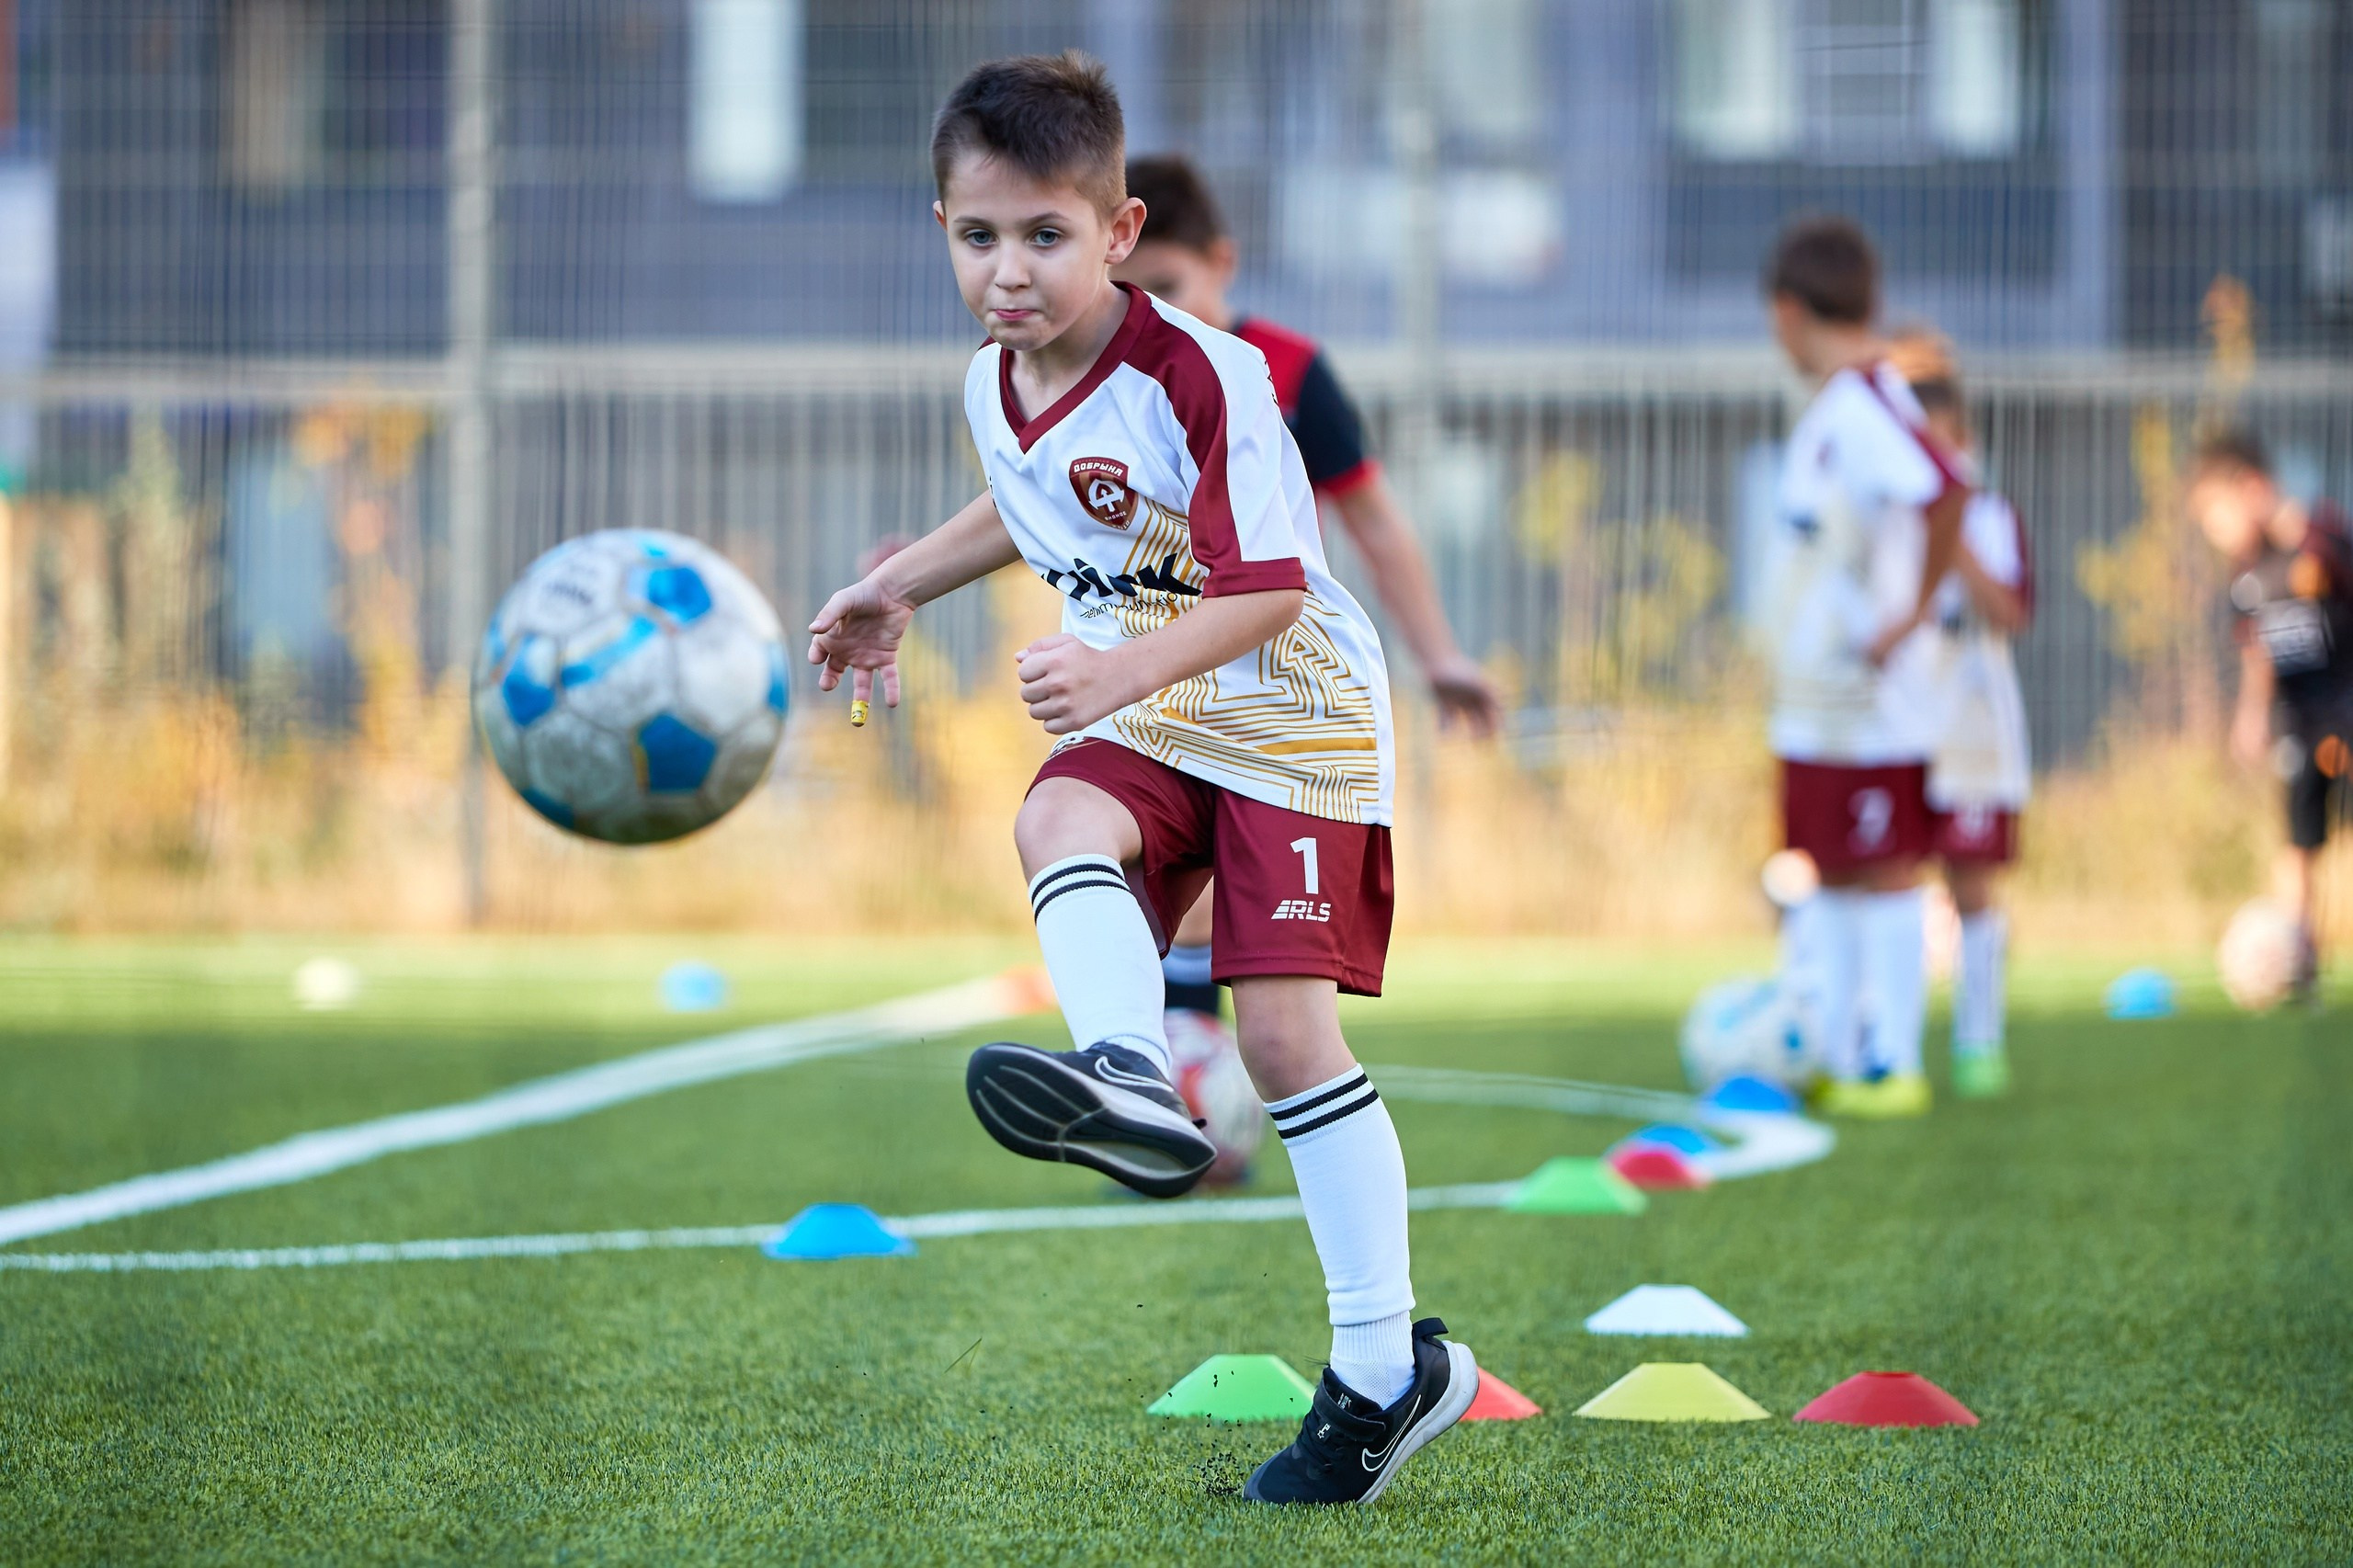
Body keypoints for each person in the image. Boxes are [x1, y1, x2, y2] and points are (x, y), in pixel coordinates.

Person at [804, 52, 1477, 1504]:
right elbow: (1027, 501)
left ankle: (1385, 1374)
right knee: (1057, 811)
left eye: (1046, 235)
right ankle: (1127, 1067)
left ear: (1119, 232)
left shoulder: (1206, 372)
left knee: (1287, 1043)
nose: (1009, 270)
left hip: (1290, 710)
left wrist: (1114, 674)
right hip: (1164, 705)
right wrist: (897, 585)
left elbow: (1274, 587)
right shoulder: (994, 380)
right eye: (980, 235)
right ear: (941, 230)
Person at [1112, 154, 1500, 1089]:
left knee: (1242, 940)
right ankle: (1181, 1084)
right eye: (1130, 292)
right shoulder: (1110, 379)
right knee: (1142, 876)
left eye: (1169, 286)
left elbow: (1375, 520)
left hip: (1277, 677)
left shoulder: (1283, 371)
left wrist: (1439, 654)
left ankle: (1199, 1077)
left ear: (1222, 262)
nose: (1151, 311)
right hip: (1150, 664)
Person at [1760, 216, 1968, 1119]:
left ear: (1788, 312)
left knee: (1885, 866)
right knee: (1832, 865)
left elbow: (1947, 491)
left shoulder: (1871, 402)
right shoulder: (1836, 408)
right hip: (1816, 701)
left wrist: (1909, 615)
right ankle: (1845, 1056)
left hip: (1871, 701)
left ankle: (1892, 1061)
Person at [1889, 329, 2034, 1096]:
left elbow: (2011, 611)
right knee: (1890, 877)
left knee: (1971, 882)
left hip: (1973, 731)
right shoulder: (1885, 520)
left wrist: (1954, 546)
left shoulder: (1991, 519)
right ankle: (1890, 1044)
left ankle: (1980, 1041)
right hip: (1898, 724)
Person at [2186, 428, 2353, 1002]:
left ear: (2253, 490)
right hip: (2298, 721)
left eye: (2218, 515)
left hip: (2345, 708)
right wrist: (2251, 716)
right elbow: (2256, 650)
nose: (2215, 532)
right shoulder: (2246, 575)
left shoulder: (2323, 540)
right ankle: (2299, 960)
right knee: (2299, 840)